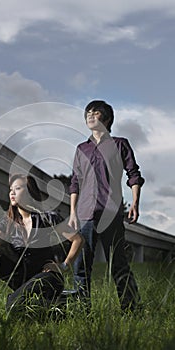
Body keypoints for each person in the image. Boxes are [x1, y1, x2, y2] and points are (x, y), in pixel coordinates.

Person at [0, 173, 84, 317]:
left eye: (18, 188)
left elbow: (78, 240)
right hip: (21, 278)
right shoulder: (8, 222)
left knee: (17, 307)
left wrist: (64, 266)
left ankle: (20, 304)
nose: (12, 192)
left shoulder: (47, 217)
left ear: (29, 192)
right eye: (11, 189)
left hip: (45, 277)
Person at [68, 100, 145, 312]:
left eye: (95, 112)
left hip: (111, 213)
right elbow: (75, 181)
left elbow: (134, 175)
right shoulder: (81, 149)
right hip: (85, 215)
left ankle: (131, 309)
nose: (90, 115)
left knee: (119, 264)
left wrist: (135, 203)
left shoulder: (120, 144)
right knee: (81, 266)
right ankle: (82, 311)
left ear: (107, 118)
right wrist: (72, 212)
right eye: (87, 113)